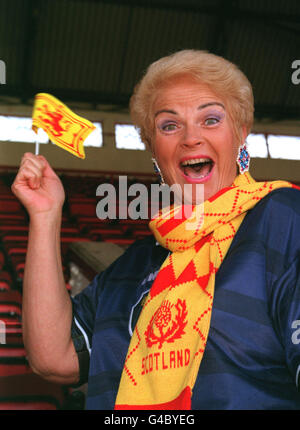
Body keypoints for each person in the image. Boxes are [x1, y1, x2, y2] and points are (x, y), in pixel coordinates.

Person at [12, 50, 300, 410]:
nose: (190, 138)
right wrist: (45, 216)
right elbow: (54, 359)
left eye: (210, 119)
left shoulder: (283, 218)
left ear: (241, 134)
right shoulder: (136, 263)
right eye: (169, 125)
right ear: (154, 151)